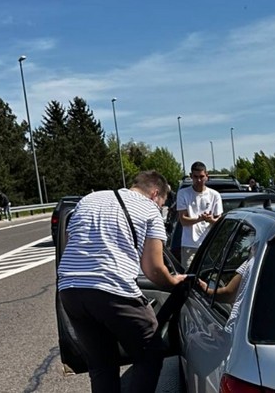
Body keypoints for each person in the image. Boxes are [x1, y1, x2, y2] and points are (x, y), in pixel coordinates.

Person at [57, 170, 187, 393]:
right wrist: (174, 281)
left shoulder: (89, 199)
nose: (161, 207)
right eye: (162, 202)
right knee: (150, 351)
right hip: (112, 289)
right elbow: (154, 269)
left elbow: (73, 244)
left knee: (101, 364)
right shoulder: (149, 208)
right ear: (155, 193)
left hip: (69, 290)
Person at [176, 161, 223, 269]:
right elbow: (183, 220)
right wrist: (200, 219)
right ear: (191, 176)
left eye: (201, 177)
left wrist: (210, 220)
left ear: (207, 176)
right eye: (195, 177)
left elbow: (219, 222)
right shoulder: (183, 193)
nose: (198, 180)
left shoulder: (214, 195)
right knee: (188, 275)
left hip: (210, 245)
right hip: (189, 244)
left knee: (210, 275)